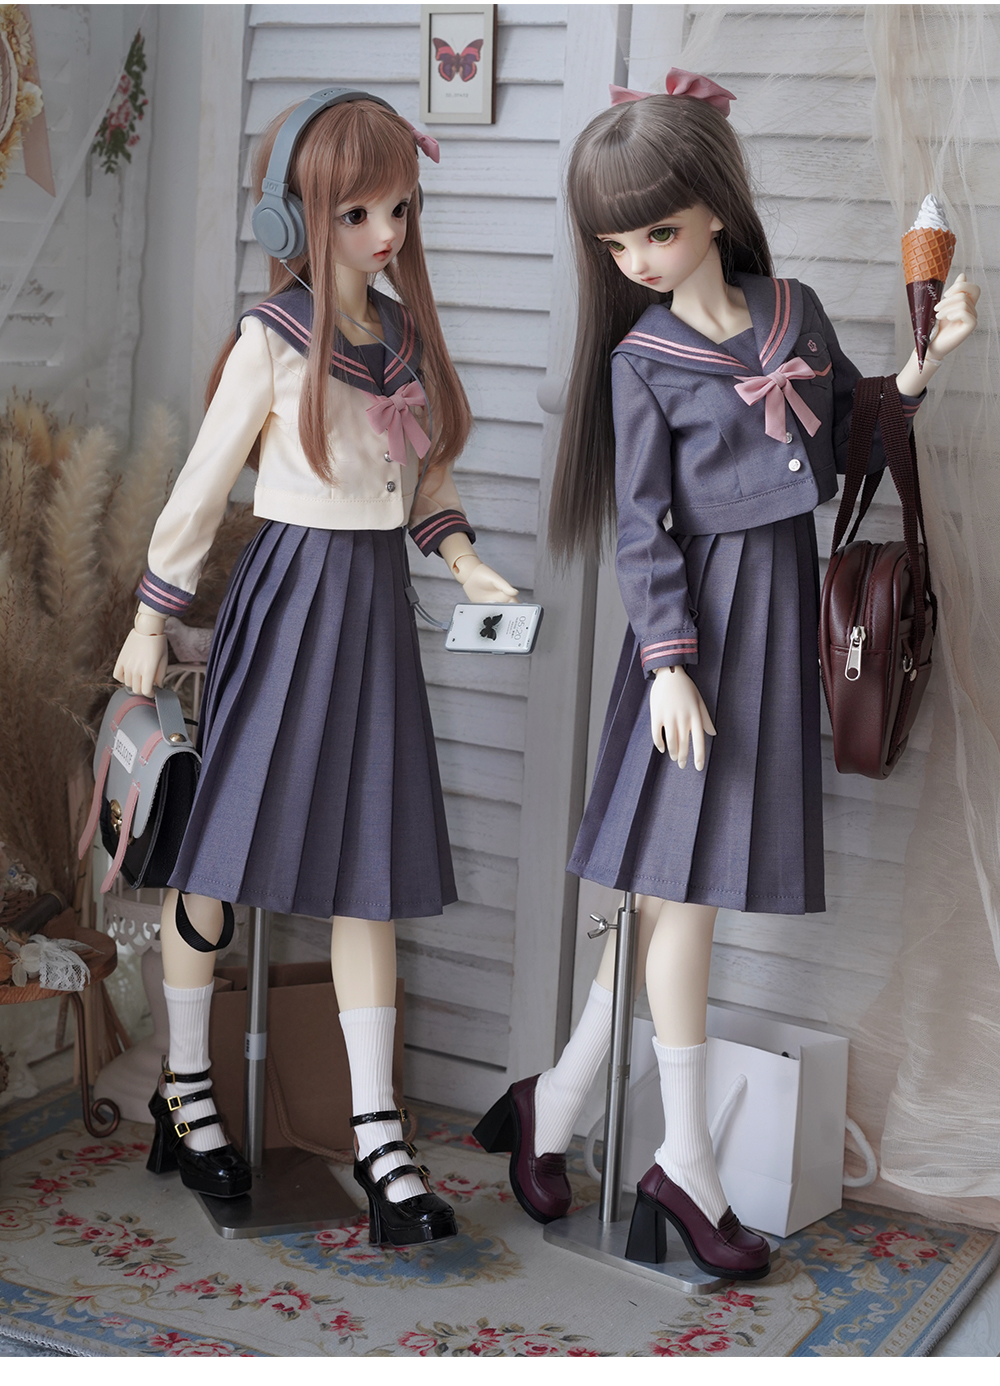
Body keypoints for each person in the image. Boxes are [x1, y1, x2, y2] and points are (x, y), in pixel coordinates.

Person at [474, 70, 978, 1280]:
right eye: (617, 244)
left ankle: (559, 1098)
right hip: (692, 637)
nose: (637, 259)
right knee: (675, 893)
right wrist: (665, 666)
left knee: (663, 891)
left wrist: (916, 373)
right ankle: (684, 1159)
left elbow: (848, 438)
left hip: (774, 616)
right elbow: (642, 529)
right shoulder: (639, 360)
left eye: (655, 231)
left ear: (711, 208)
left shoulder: (792, 311)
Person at [114, 91, 517, 1248]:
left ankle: (379, 1139)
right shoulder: (271, 338)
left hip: (376, 610)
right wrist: (152, 614)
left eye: (400, 208)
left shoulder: (401, 336)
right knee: (217, 855)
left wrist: (465, 560)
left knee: (369, 872)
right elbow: (201, 487)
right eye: (357, 212)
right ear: (293, 216)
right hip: (290, 599)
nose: (385, 232)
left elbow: (424, 475)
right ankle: (188, 1094)